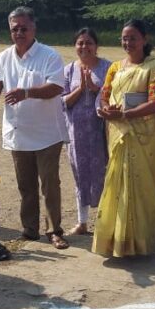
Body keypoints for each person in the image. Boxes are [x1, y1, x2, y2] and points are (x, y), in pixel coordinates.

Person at [0, 7, 70, 249]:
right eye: (14, 29)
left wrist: (26, 93)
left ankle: (54, 230)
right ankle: (29, 230)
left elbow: (56, 88)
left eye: (23, 28)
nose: (19, 32)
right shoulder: (4, 57)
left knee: (49, 184)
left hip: (47, 132)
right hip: (19, 131)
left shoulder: (49, 55)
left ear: (33, 28)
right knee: (25, 185)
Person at [92, 19, 155, 257]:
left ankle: (139, 243)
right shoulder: (115, 67)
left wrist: (125, 114)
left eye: (133, 38)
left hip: (145, 138)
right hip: (118, 134)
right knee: (116, 185)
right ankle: (116, 240)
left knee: (141, 187)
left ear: (144, 39)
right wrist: (106, 110)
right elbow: (105, 96)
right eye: (124, 38)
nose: (128, 42)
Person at [61, 28, 111, 236]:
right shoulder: (69, 70)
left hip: (101, 132)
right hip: (76, 133)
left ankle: (103, 222)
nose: (84, 47)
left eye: (89, 42)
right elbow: (62, 102)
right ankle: (82, 223)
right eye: (80, 43)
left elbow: (114, 96)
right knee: (79, 175)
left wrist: (94, 88)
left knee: (102, 175)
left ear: (96, 45)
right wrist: (80, 88)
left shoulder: (108, 68)